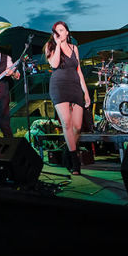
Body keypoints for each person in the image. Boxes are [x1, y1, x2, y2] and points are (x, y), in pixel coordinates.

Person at [44, 21, 90, 175]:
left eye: (61, 30)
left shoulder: (74, 48)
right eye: (56, 31)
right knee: (67, 122)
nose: (58, 33)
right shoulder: (50, 47)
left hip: (75, 87)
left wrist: (86, 92)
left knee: (77, 126)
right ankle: (74, 160)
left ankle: (66, 152)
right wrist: (57, 45)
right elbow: (54, 64)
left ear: (67, 33)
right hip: (59, 87)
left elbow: (79, 71)